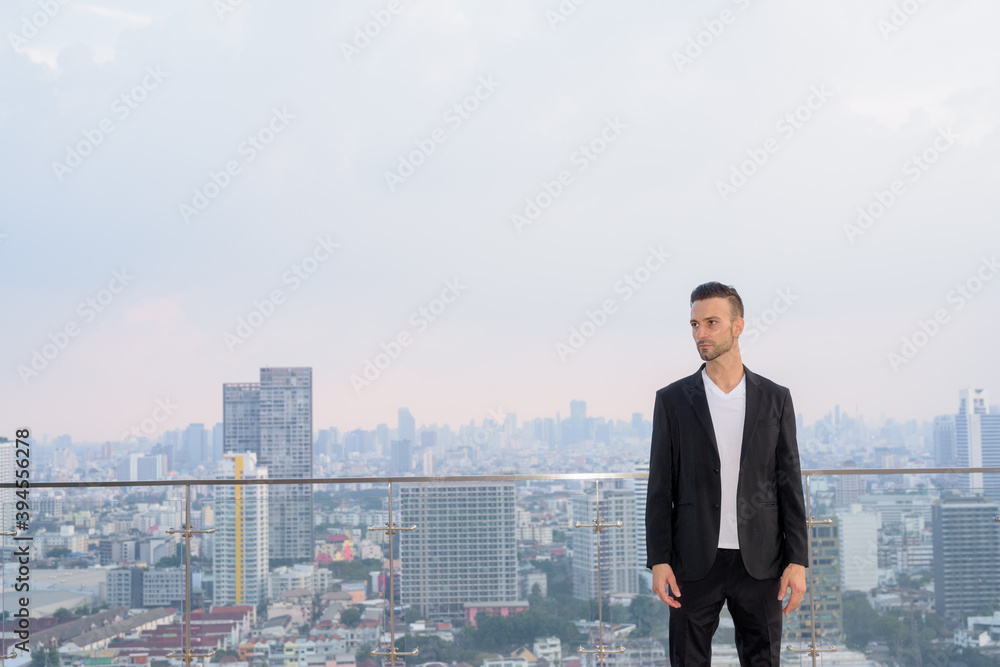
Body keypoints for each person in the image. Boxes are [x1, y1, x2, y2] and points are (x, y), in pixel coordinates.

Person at [645, 281, 808, 666]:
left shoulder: (775, 397)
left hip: (762, 561)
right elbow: (659, 486)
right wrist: (659, 560)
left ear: (738, 326)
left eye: (711, 323)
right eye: (694, 324)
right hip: (693, 560)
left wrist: (797, 560)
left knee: (763, 660)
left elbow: (790, 481)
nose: (700, 333)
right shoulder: (672, 400)